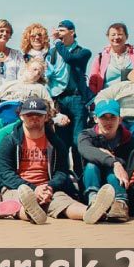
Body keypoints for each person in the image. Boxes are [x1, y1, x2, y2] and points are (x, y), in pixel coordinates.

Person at [0, 97, 110, 224]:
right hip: (18, 187)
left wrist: (49, 187)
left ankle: (91, 212)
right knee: (16, 202)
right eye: (29, 114)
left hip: (47, 188)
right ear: (21, 116)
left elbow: (61, 172)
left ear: (46, 117)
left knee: (64, 202)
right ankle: (31, 214)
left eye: (39, 114)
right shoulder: (9, 142)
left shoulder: (56, 143)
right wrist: (33, 189)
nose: (34, 118)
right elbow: (5, 174)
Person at [0, 58, 61, 152]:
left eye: (39, 73)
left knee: (0, 134)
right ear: (26, 68)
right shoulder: (8, 85)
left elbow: (50, 107)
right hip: (0, 117)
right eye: (35, 69)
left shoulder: (40, 88)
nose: (36, 74)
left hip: (19, 119)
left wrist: (59, 117)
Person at [77, 99, 134, 222]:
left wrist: (116, 163)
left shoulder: (129, 139)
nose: (108, 122)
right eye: (103, 117)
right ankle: (94, 202)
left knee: (113, 173)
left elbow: (131, 165)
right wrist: (113, 161)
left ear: (120, 120)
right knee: (91, 166)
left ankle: (120, 204)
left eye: (112, 117)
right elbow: (85, 150)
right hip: (93, 181)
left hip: (117, 183)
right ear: (95, 119)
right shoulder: (86, 135)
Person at [46, 19, 93, 176]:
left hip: (76, 99)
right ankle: (64, 178)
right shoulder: (52, 53)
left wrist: (58, 44)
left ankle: (82, 179)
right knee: (62, 142)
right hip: (59, 99)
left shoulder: (83, 52)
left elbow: (70, 59)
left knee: (78, 140)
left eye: (62, 30)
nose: (59, 34)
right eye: (57, 31)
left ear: (72, 32)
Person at [88, 23, 134, 94]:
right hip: (107, 99)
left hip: (132, 98)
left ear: (126, 36)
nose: (116, 37)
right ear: (108, 36)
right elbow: (93, 83)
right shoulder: (100, 58)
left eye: (120, 34)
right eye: (113, 35)